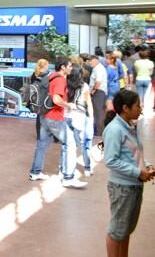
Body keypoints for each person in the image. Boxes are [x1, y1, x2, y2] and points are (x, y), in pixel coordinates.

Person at [102, 90, 154, 257]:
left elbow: (134, 153)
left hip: (134, 185)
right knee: (117, 230)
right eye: (137, 105)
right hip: (122, 188)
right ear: (125, 108)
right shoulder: (114, 130)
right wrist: (138, 172)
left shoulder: (130, 127)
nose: (140, 108)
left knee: (125, 230)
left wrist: (146, 167)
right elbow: (110, 160)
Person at [29, 56, 87, 188]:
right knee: (70, 144)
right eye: (69, 66)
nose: (71, 68)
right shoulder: (60, 80)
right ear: (63, 67)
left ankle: (35, 172)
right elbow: (56, 99)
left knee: (41, 144)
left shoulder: (51, 76)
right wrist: (68, 105)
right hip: (54, 117)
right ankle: (68, 177)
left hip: (43, 115)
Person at [66, 66, 94, 177]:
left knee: (66, 145)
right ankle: (87, 168)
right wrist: (91, 117)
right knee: (83, 144)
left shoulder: (65, 85)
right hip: (79, 117)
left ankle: (64, 169)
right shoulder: (84, 86)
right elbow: (88, 102)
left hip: (66, 117)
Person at [87, 55, 108, 136]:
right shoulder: (97, 68)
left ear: (96, 60)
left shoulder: (98, 69)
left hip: (98, 92)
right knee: (98, 112)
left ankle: (99, 132)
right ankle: (99, 131)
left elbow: (98, 81)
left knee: (98, 112)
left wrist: (93, 90)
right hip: (99, 92)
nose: (90, 63)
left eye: (91, 61)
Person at [31, 59, 50, 140]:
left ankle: (39, 135)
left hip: (37, 98)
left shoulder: (34, 74)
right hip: (45, 98)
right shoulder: (47, 75)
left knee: (39, 117)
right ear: (45, 66)